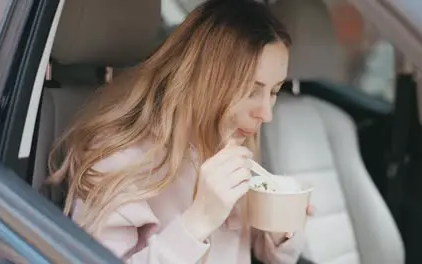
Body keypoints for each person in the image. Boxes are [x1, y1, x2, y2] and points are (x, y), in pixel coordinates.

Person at [48, 0, 312, 263]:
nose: (266, 114)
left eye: (275, 91)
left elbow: (257, 252)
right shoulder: (120, 157)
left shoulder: (232, 141)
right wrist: (198, 221)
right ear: (204, 79)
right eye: (250, 91)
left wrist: (280, 230)